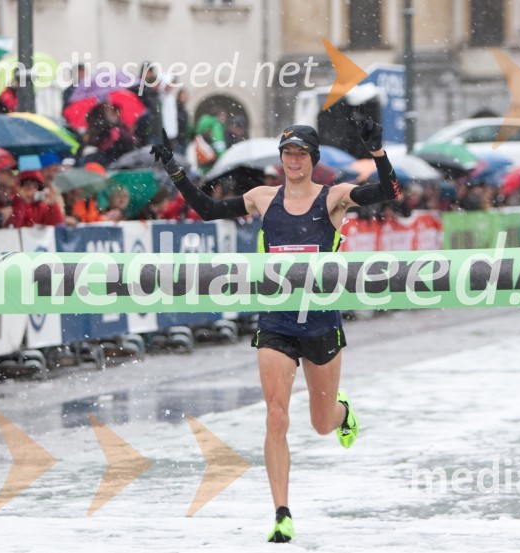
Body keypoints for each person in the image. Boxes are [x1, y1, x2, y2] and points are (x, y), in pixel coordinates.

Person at [151, 120, 400, 543]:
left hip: (321, 322)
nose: (294, 160)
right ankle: (282, 513)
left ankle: (343, 413)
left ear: (313, 159)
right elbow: (209, 210)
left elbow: (388, 193)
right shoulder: (264, 199)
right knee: (275, 414)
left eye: (302, 153)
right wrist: (177, 172)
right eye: (288, 153)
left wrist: (377, 152)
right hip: (277, 321)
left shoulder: (334, 197)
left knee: (321, 424)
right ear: (281, 158)